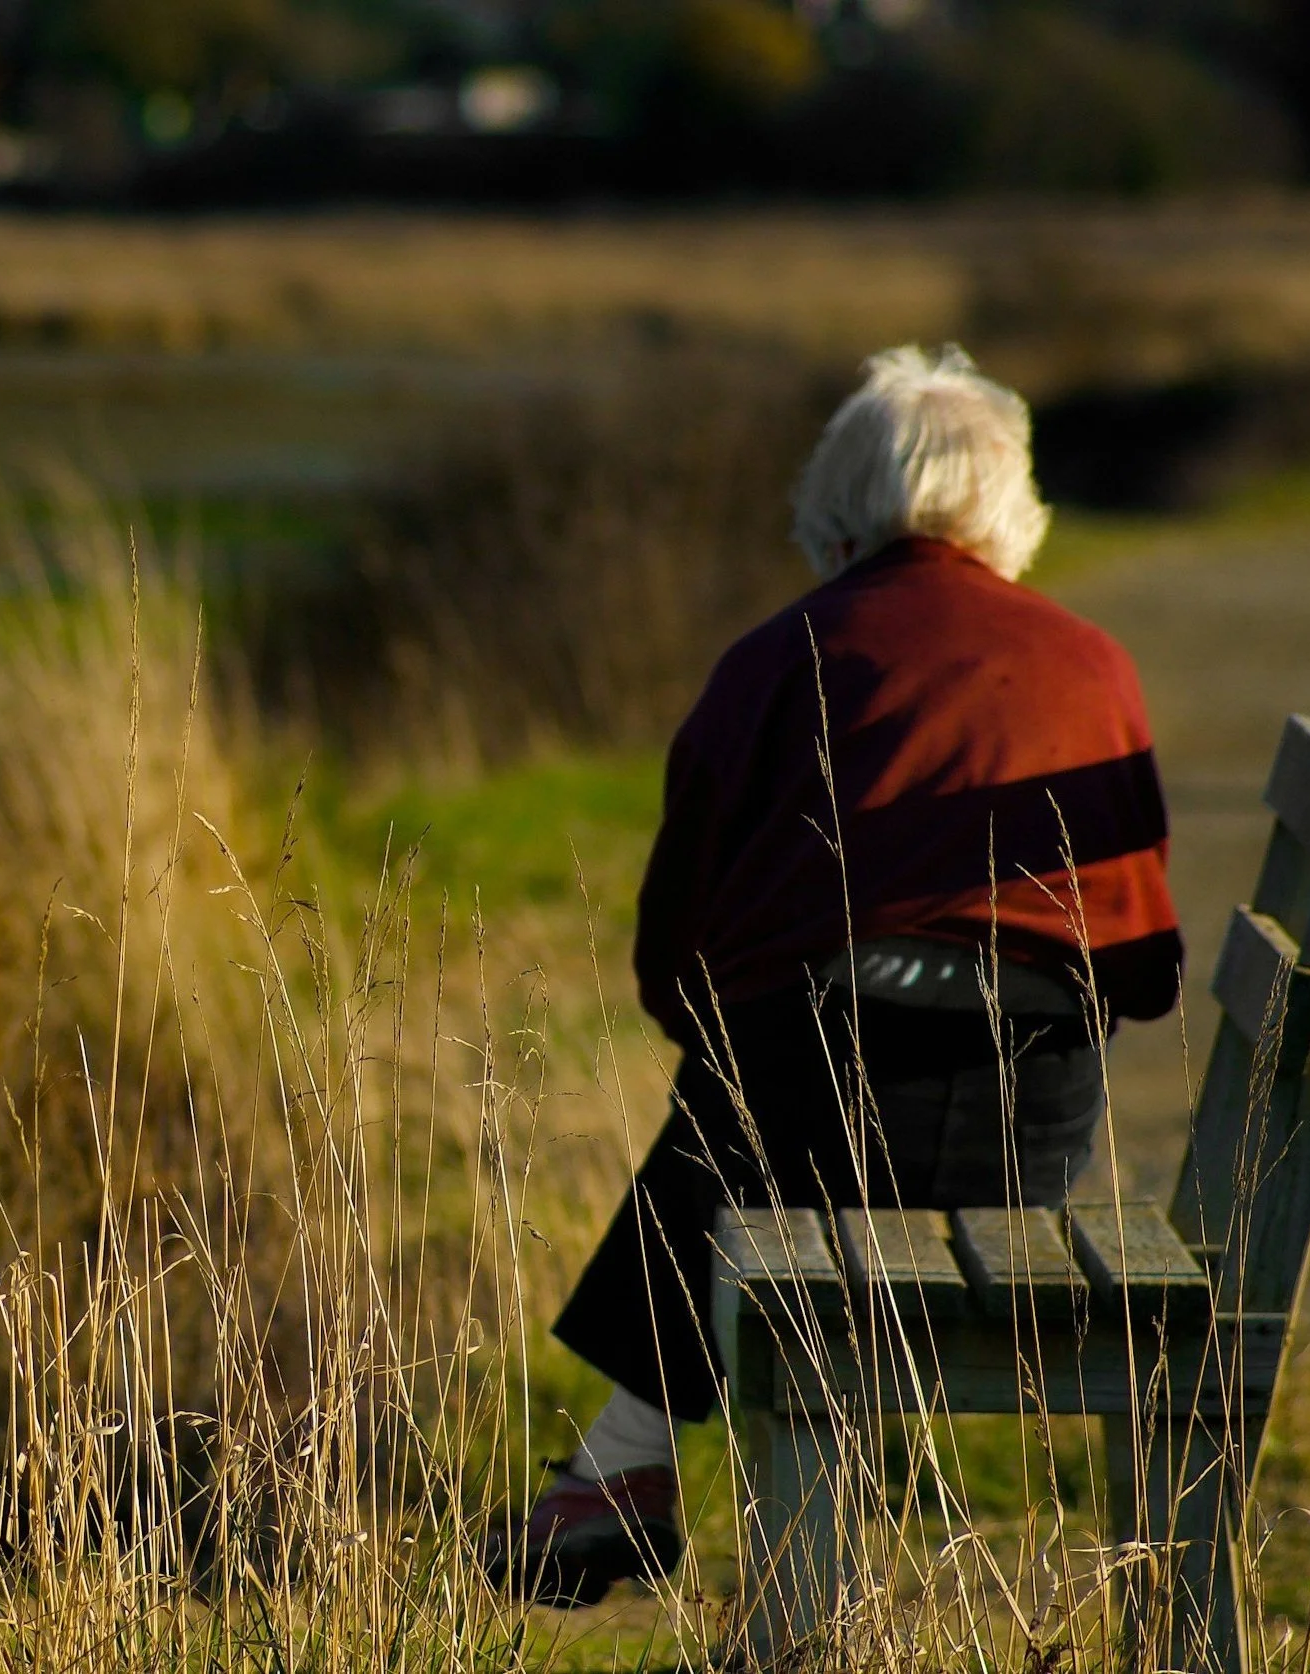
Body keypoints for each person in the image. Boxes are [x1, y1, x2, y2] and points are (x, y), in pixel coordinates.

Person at [483, 345, 1182, 1607]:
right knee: (757, 1092)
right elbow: (1141, 972)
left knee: (742, 1092)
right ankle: (622, 1469)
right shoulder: (1095, 666)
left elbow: (674, 965)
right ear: (1009, 503)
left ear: (837, 503)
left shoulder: (771, 664)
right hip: (1028, 1145)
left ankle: (627, 1466)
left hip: (801, 1135)